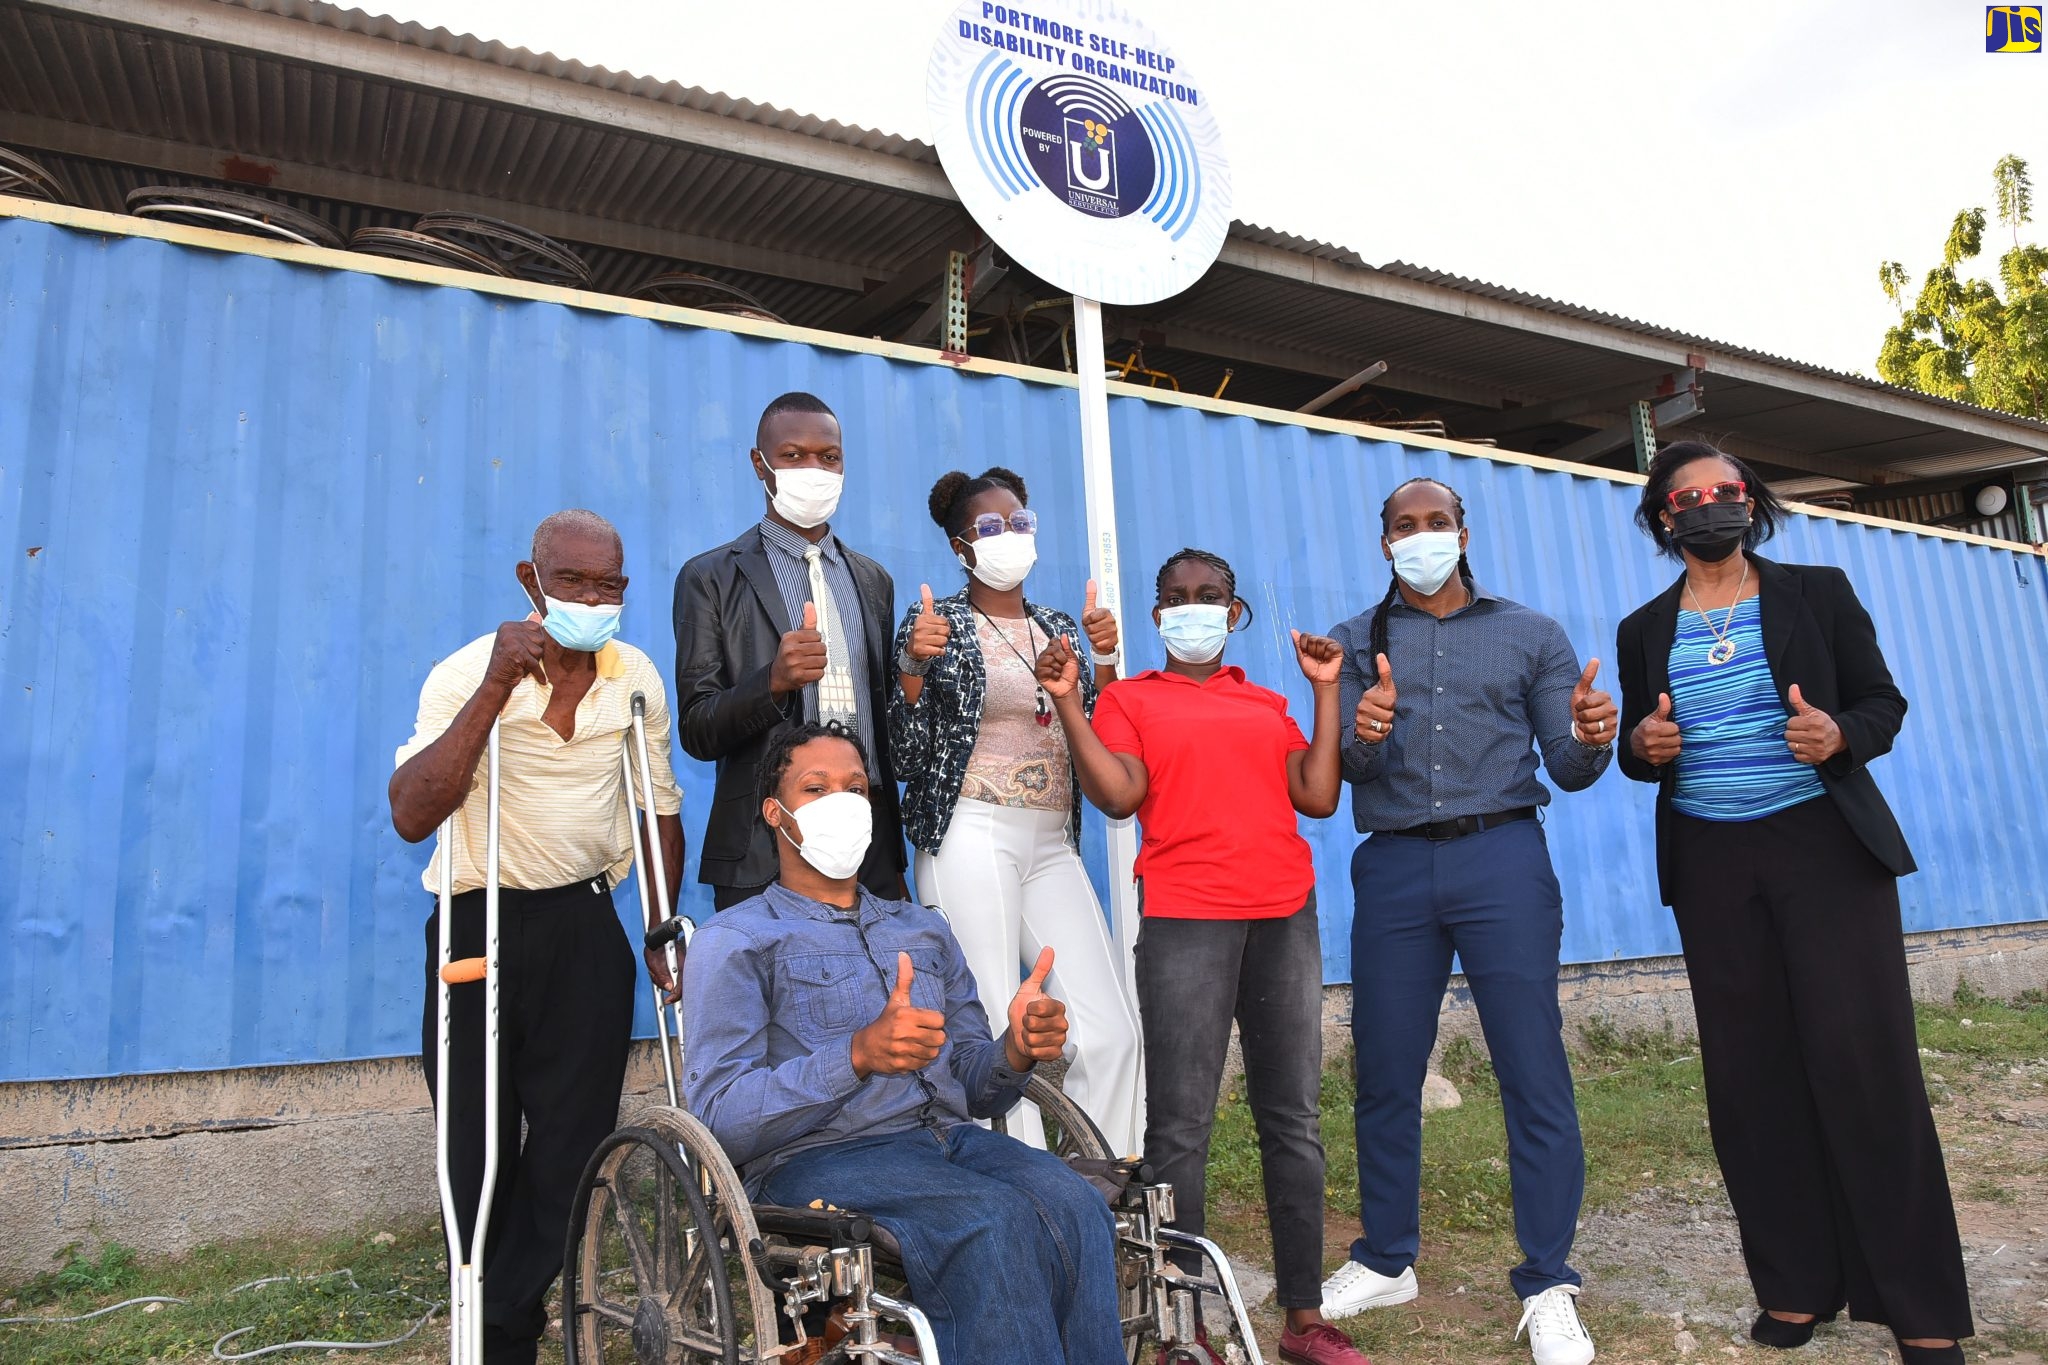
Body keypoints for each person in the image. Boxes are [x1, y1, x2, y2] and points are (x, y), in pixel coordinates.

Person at [1615, 441, 1970, 1364]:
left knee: (1865, 1067)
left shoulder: (1817, 591)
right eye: (1687, 497)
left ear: (1750, 501)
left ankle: (1921, 1305)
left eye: (1724, 491)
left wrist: (1837, 733)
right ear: (1664, 517)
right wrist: (1643, 745)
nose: (1708, 506)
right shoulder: (1643, 627)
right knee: (1750, 1079)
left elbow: (1883, 704)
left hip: (1824, 854)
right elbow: (1637, 744)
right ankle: (1794, 1286)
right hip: (1711, 864)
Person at [681, 723, 1125, 1364]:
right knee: (992, 1219)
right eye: (816, 788)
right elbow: (719, 1117)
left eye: (855, 788)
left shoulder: (922, 929)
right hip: (818, 1160)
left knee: (1076, 1203)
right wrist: (856, 1056)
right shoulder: (738, 939)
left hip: (950, 1143)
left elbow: (975, 1083)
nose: (842, 801)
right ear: (774, 815)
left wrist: (1018, 1050)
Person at [1049, 547, 1371, 1365]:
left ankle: (1304, 1318)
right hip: (1187, 918)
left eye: (1211, 596)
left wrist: (1326, 690)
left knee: (1292, 1118)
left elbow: (1319, 792)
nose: (1193, 607)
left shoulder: (1265, 702)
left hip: (1282, 915)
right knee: (1181, 1127)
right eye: (1176, 597)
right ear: (1158, 615)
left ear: (1234, 613)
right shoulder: (1126, 698)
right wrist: (1071, 701)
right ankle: (1181, 1327)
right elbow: (1119, 794)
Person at [1321, 478, 1611, 1365]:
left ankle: (1550, 1279)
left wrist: (1594, 734)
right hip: (1398, 863)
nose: (1420, 538)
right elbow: (1342, 772)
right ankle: (1385, 1257)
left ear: (1462, 532)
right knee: (1385, 1067)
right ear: (1383, 545)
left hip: (1503, 858)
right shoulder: (1352, 641)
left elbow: (1568, 766)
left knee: (1532, 1065)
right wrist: (1364, 730)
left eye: (1434, 523)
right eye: (1403, 527)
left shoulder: (1531, 632)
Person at [389, 509, 684, 1365]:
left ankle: (500, 1312)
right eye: (574, 583)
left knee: (574, 1146)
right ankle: (500, 1326)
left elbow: (657, 803)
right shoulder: (464, 673)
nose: (594, 599)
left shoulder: (634, 678)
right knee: (474, 1145)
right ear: (532, 580)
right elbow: (412, 811)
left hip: (585, 921)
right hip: (482, 917)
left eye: (610, 585)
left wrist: (659, 927)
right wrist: (493, 687)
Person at [888, 465, 1142, 1154]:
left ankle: (1105, 1188)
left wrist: (1107, 656)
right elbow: (904, 757)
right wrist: (912, 670)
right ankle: (1019, 1193)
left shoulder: (1058, 625)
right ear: (959, 546)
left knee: (1111, 1029)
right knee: (1000, 1030)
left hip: (1052, 840)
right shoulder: (934, 621)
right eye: (991, 527)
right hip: (970, 832)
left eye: (1020, 522)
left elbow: (1106, 730)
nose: (1012, 537)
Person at [672, 391, 906, 908]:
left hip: (869, 848)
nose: (814, 469)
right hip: (763, 847)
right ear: (760, 464)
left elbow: (884, 717)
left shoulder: (872, 581)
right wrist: (772, 683)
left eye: (829, 457)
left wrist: (912, 668)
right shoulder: (710, 577)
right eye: (793, 456)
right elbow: (697, 729)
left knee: (884, 987)